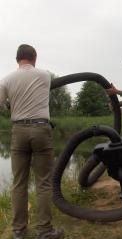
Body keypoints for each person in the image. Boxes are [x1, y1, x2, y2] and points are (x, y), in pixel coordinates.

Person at [0, 44, 63, 239]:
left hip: (18, 130)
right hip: (40, 129)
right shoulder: (44, 75)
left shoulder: (6, 80)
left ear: (17, 59)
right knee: (43, 182)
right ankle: (44, 230)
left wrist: (12, 103)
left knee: (19, 183)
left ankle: (19, 231)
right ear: (34, 57)